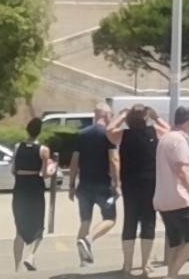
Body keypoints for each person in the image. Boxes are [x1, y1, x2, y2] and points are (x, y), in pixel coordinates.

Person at [108, 106, 167, 277]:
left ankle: (127, 265)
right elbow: (169, 131)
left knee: (130, 220)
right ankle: (145, 264)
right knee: (148, 220)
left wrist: (121, 115)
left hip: (129, 182)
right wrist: (156, 117)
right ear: (146, 118)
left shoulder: (123, 135)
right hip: (150, 181)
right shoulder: (155, 131)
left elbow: (109, 130)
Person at [155, 106, 189, 279]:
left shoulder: (165, 138)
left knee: (176, 242)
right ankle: (172, 275)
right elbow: (181, 171)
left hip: (164, 199)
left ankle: (171, 274)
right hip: (179, 198)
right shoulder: (179, 141)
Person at [70, 104, 119, 266]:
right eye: (111, 115)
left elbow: (74, 161)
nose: (112, 118)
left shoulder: (82, 134)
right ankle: (89, 240)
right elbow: (114, 160)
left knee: (85, 221)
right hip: (103, 185)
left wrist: (71, 185)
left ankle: (83, 260)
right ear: (106, 115)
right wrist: (117, 183)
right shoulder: (108, 135)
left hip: (84, 185)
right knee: (110, 218)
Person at [11, 117, 54, 272]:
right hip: (35, 188)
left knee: (19, 230)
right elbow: (45, 173)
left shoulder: (17, 147)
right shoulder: (43, 150)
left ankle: (16, 268)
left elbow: (13, 170)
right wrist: (52, 169)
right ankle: (31, 256)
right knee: (38, 227)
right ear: (39, 132)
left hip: (20, 188)